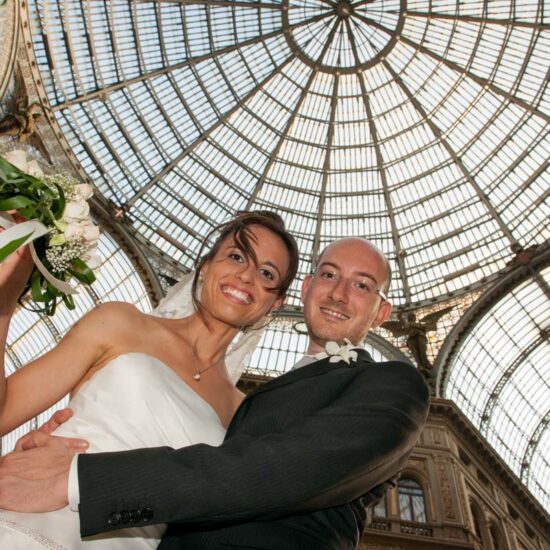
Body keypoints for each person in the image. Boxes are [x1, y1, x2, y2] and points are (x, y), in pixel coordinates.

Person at [0, 237, 430, 549]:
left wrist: (80, 480)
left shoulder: (242, 405)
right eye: (329, 275)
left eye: (362, 284)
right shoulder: (121, 322)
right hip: (32, 512)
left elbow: (257, 473)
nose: (338, 292)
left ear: (275, 300)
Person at [0, 210, 299, 549]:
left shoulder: (243, 413)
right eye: (236, 256)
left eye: (266, 272)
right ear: (206, 266)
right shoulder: (121, 322)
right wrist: (3, 303)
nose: (246, 276)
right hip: (30, 524)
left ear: (275, 303)